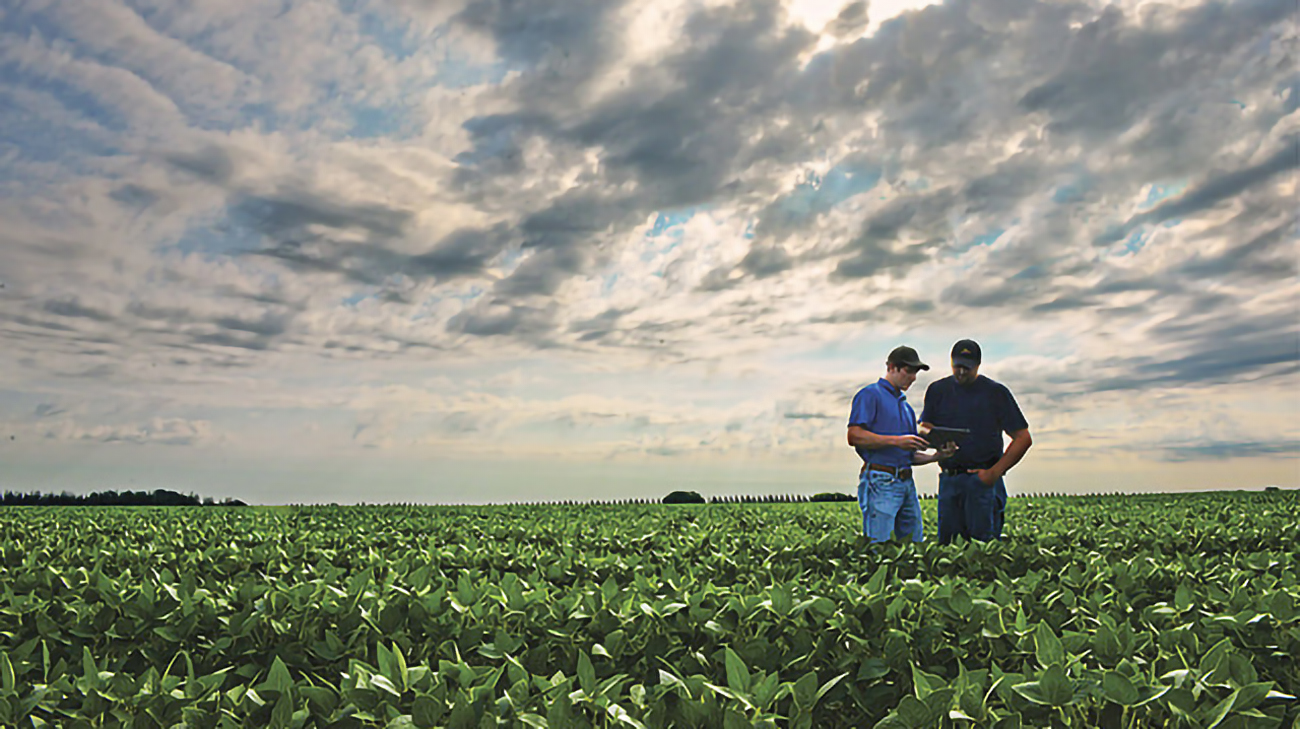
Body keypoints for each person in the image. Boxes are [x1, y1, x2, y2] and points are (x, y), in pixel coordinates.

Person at [920, 339, 1032, 543]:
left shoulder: (996, 393)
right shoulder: (937, 390)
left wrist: (993, 474)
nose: (961, 372)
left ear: (978, 366)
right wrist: (934, 437)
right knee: (949, 549)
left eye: (967, 368)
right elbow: (924, 425)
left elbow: (1023, 438)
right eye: (957, 366)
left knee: (983, 551)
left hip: (982, 482)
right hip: (949, 481)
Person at [847, 346, 956, 543]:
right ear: (891, 368)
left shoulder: (906, 408)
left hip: (906, 482)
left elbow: (909, 455)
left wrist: (936, 456)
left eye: (915, 372)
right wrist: (897, 441)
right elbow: (854, 436)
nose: (913, 377)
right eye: (908, 370)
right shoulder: (870, 394)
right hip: (880, 481)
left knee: (914, 545)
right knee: (880, 547)